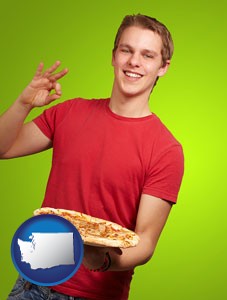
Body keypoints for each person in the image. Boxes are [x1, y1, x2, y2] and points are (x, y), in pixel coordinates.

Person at [1, 14, 184, 300]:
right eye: (127, 50)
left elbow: (146, 241)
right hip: (32, 283)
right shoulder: (70, 113)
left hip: (94, 293)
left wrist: (105, 261)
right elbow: (3, 148)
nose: (134, 62)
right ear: (114, 56)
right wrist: (24, 103)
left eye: (147, 55)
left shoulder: (166, 149)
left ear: (163, 67)